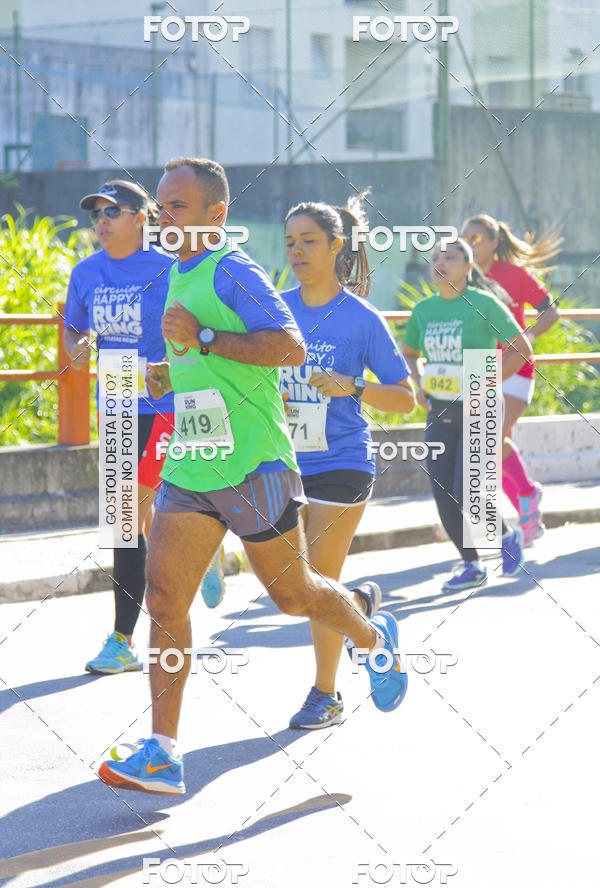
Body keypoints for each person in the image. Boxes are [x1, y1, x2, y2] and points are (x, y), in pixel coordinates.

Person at [97, 158, 407, 795]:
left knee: (292, 597)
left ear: (216, 216)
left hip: (255, 462)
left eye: (176, 206)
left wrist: (206, 338)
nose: (162, 216)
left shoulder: (232, 269)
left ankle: (370, 632)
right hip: (193, 460)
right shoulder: (173, 274)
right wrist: (171, 370)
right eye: (159, 205)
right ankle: (162, 752)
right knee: (163, 600)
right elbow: (199, 362)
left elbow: (290, 347)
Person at [64, 180, 223, 677]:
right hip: (114, 403)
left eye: (113, 212)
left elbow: (201, 327)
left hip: (169, 406)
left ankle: (124, 634)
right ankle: (125, 640)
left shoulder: (168, 268)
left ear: (142, 218)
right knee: (124, 521)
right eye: (96, 214)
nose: (102, 221)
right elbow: (74, 326)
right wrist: (77, 345)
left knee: (130, 509)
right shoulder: (86, 272)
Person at [281, 194, 415, 729]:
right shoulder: (276, 309)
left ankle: (326, 695)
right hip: (282, 459)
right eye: (289, 242)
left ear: (337, 246)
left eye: (309, 241)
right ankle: (361, 609)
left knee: (315, 578)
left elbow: (405, 397)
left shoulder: (361, 319)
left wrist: (351, 386)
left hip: (342, 460)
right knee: (291, 586)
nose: (296, 251)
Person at [403, 238, 533, 591]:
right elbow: (410, 352)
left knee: (469, 490)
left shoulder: (483, 304)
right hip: (439, 408)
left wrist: (487, 379)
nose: (441, 263)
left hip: (480, 403)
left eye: (451, 257)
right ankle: (471, 564)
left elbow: (522, 348)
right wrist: (417, 382)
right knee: (443, 490)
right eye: (435, 258)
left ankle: (505, 535)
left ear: (468, 266)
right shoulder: (424, 310)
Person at [461, 215, 562, 546]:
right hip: (478, 366)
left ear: (493, 242)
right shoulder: (462, 277)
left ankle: (527, 496)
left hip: (515, 364)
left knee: (491, 438)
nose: (469, 244)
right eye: (465, 238)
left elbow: (551, 311)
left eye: (476, 238)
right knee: (487, 444)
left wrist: (526, 336)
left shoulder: (514, 275)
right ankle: (527, 513)